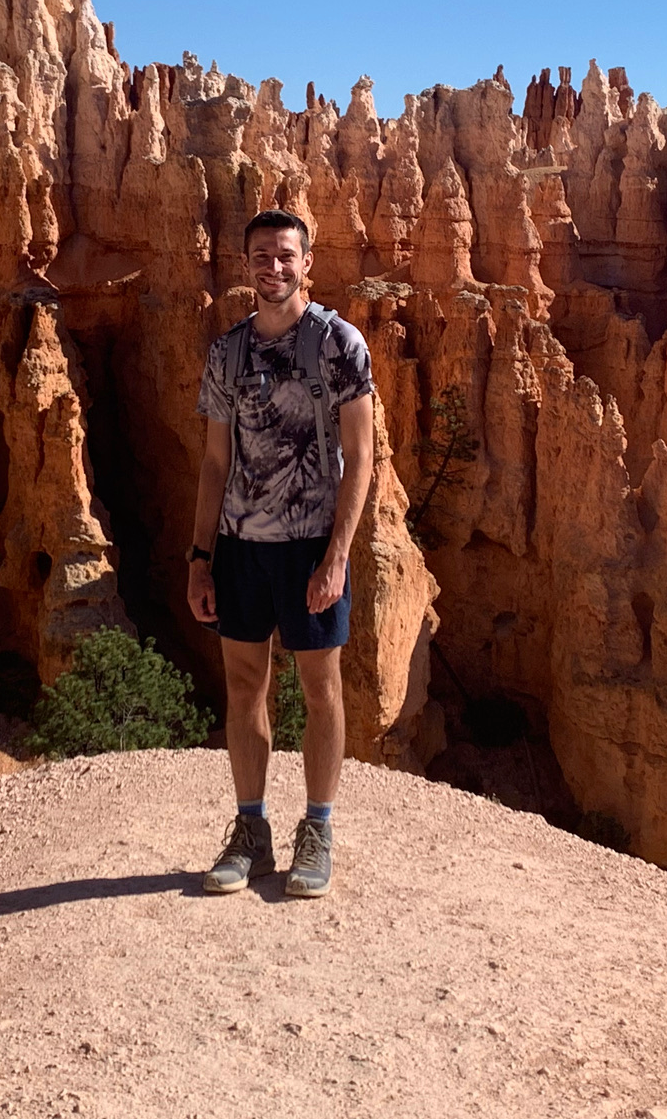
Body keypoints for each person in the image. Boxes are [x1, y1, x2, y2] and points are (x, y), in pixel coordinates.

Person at [189, 208, 374, 897]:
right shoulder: (226, 352)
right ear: (245, 267)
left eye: (285, 255)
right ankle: (250, 829)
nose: (273, 266)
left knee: (319, 689)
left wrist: (336, 557)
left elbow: (361, 456)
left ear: (307, 264)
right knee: (244, 686)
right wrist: (199, 555)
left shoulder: (337, 343)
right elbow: (213, 461)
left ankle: (318, 827)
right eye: (260, 255)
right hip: (239, 547)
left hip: (309, 547)